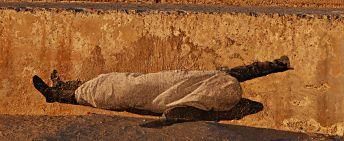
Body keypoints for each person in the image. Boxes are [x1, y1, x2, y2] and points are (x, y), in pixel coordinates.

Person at [32, 56, 292, 122]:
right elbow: (247, 71)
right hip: (156, 87)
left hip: (153, 91)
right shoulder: (213, 98)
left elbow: (247, 71)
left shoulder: (212, 95)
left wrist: (275, 65)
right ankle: (62, 88)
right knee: (111, 84)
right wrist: (276, 66)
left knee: (112, 90)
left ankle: (55, 95)